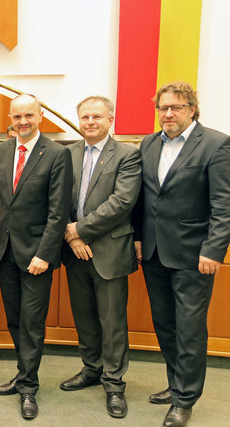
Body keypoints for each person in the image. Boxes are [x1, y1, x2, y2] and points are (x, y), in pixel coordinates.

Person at [133, 81, 230, 427]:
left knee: (189, 328)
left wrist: (214, 249)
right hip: (155, 252)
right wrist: (138, 238)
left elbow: (224, 205)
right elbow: (143, 198)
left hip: (194, 255)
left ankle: (185, 399)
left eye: (175, 107)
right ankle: (176, 384)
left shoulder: (216, 144)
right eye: (162, 108)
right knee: (165, 325)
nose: (168, 114)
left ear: (192, 109)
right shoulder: (148, 143)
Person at [0, 94, 72, 420]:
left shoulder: (56, 153)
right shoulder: (1, 151)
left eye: (29, 116)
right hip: (5, 253)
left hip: (37, 256)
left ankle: (28, 388)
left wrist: (45, 254)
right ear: (11, 117)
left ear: (40, 117)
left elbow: (58, 211)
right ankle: (24, 374)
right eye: (17, 116)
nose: (23, 122)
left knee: (32, 323)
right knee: (14, 319)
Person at [60, 96, 141, 418]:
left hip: (109, 251)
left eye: (97, 116)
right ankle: (91, 368)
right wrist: (71, 234)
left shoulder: (127, 155)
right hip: (75, 251)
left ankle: (114, 383)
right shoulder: (68, 153)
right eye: (85, 117)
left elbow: (122, 202)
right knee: (85, 318)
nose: (90, 122)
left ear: (110, 119)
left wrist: (80, 231)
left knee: (112, 322)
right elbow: (59, 197)